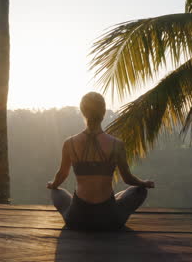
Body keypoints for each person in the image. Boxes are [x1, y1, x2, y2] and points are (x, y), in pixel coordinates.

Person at [46, 92, 155, 230]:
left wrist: (53, 185)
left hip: (78, 218)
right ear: (103, 113)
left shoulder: (70, 143)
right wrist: (143, 183)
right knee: (139, 191)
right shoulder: (116, 144)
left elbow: (61, 175)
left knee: (56, 192)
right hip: (109, 219)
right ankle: (113, 203)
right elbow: (128, 179)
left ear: (83, 112)